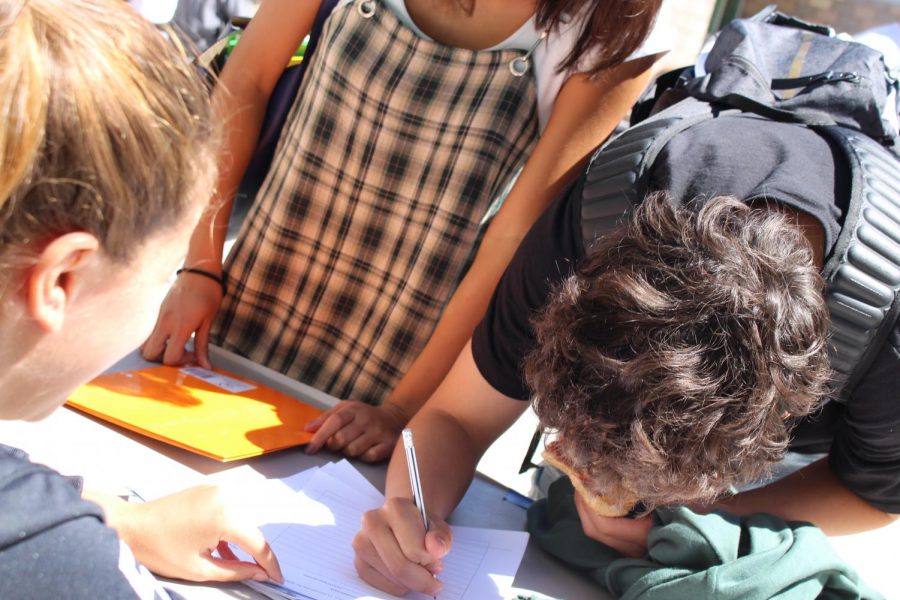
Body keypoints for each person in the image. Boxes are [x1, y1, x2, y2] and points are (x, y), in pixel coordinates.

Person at [350, 112, 900, 597]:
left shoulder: (886, 346)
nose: (590, 475)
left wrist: (702, 517)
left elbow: (874, 494)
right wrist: (409, 512)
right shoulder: (599, 217)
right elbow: (458, 414)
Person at [141, 0, 672, 462]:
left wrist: (401, 409)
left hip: (399, 362)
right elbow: (246, 80)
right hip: (245, 299)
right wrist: (199, 265)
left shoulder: (604, 28)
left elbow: (513, 238)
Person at [0, 0, 283, 597]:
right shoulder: (61, 564)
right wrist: (78, 537)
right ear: (60, 281)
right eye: (164, 275)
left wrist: (115, 518)